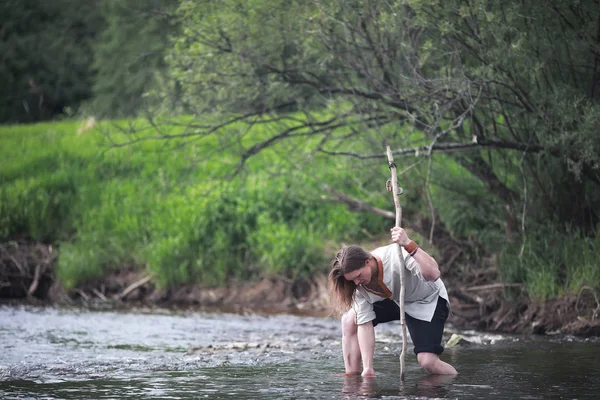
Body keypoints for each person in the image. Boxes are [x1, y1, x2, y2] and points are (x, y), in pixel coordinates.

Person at [329, 226, 457, 377]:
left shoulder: (396, 254)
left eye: (359, 275)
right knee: (350, 319)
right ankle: (353, 376)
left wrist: (409, 244)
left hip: (428, 301)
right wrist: (368, 368)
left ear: (367, 262)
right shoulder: (356, 285)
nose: (357, 282)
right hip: (396, 301)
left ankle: (456, 379)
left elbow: (434, 274)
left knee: (428, 361)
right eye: (353, 280)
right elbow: (364, 324)